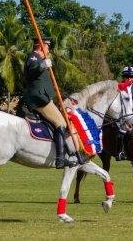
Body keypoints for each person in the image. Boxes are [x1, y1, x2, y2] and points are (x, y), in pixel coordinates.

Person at [22, 38, 79, 168]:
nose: (48, 49)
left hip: (44, 97)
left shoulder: (40, 59)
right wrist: (43, 65)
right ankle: (60, 159)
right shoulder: (33, 57)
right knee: (61, 123)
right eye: (47, 46)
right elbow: (31, 71)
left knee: (56, 123)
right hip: (39, 98)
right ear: (41, 47)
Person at [115, 66, 133, 161]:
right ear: (124, 77)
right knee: (123, 130)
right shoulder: (119, 88)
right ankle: (119, 152)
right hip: (121, 116)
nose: (130, 79)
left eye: (132, 77)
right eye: (128, 77)